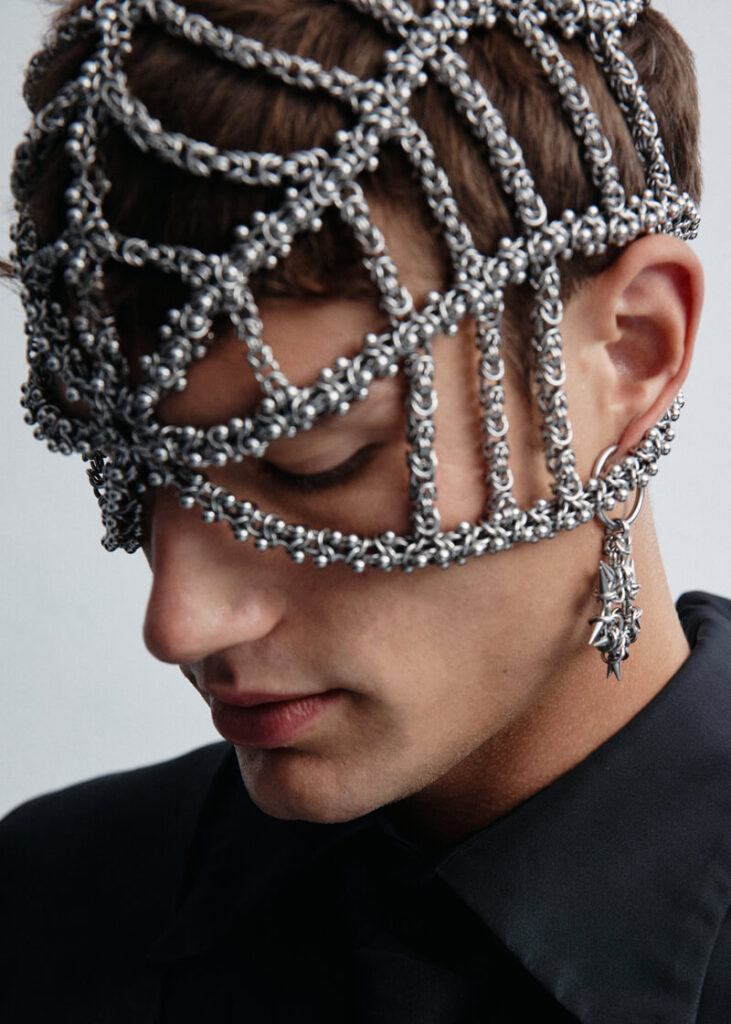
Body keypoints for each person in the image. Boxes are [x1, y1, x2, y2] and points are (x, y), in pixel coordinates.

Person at [2, 0, 729, 1020]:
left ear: (631, 350)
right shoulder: (45, 911)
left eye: (316, 465)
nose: (178, 624)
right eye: (137, 469)